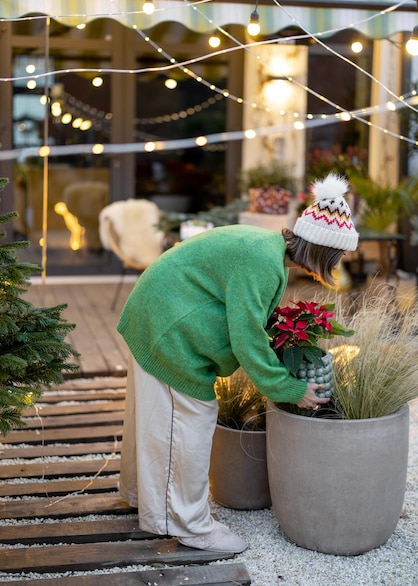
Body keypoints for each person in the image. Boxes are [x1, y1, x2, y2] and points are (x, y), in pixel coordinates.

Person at [117, 173, 358, 554]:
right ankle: (191, 526)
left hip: (156, 315)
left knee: (156, 419)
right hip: (168, 330)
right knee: (189, 421)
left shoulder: (267, 250)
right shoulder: (262, 261)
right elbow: (247, 338)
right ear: (324, 250)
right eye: (339, 254)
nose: (341, 262)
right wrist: (289, 388)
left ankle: (141, 496)